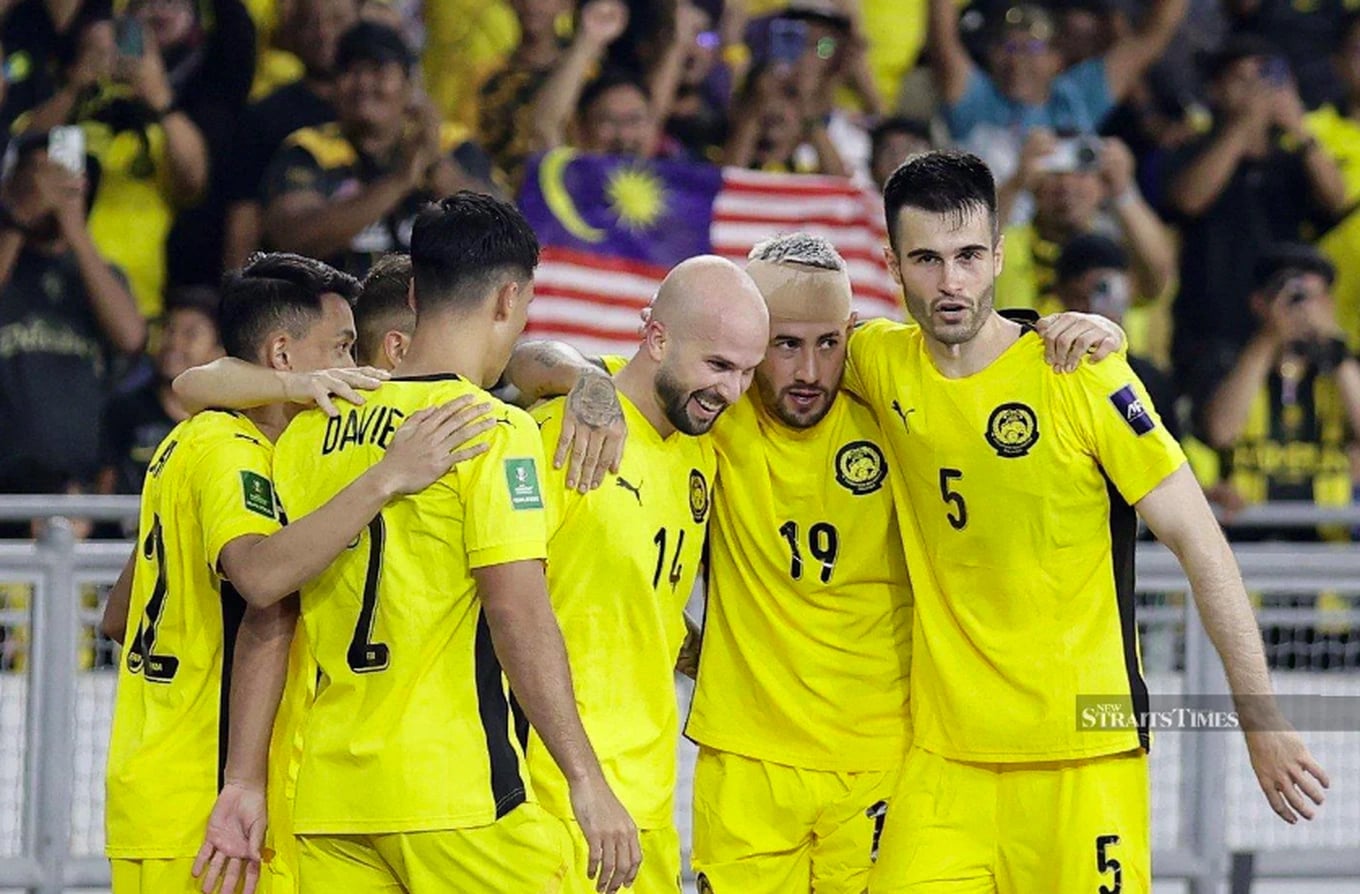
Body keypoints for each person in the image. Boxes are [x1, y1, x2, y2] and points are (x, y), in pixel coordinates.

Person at [837, 150, 1327, 893]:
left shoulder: (1080, 372)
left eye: (968, 255)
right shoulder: (879, 360)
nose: (951, 282)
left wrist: (1261, 720)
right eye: (927, 259)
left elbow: (1202, 543)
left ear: (999, 255)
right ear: (892, 264)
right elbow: (773, 316)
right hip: (944, 763)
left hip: (1083, 757)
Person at [198, 193, 642, 894]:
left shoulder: (311, 428)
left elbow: (270, 615)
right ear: (509, 299)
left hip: (333, 801)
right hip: (456, 795)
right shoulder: (489, 429)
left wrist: (244, 779)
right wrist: (586, 780)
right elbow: (518, 612)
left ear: (413, 292)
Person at [101, 252, 483, 894]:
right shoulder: (235, 454)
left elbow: (120, 615)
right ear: (283, 355)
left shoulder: (191, 439)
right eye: (341, 346)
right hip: (210, 809)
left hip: (155, 786)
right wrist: (387, 477)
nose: (353, 364)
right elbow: (260, 578)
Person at [524, 255, 767, 893]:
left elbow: (632, 590)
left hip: (649, 806)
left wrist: (698, 647)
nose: (732, 391)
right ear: (657, 338)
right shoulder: (569, 430)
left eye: (747, 372)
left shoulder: (700, 454)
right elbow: (507, 608)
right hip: (553, 801)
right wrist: (583, 781)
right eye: (718, 365)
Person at [685, 235, 913, 893]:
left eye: (828, 343)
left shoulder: (895, 408)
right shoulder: (717, 415)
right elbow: (541, 365)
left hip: (880, 755)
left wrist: (1083, 329)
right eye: (786, 345)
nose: (810, 371)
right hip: (746, 759)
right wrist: (585, 381)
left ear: (852, 333)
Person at [1164, 35, 1347, 395]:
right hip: (1210, 333)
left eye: (1267, 78)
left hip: (1285, 328)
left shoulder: (1293, 161)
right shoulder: (1190, 149)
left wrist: (1299, 127)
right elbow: (1188, 201)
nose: (1258, 89)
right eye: (1242, 79)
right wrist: (1242, 124)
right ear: (1216, 89)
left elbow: (1335, 200)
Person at [260, 21, 498, 279]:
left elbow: (500, 231)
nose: (363, 84)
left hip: (434, 301)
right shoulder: (310, 149)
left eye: (378, 70)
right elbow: (293, 238)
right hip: (340, 301)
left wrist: (434, 161)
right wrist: (400, 181)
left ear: (409, 86)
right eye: (350, 71)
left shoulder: (451, 144)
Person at [0, 130, 145, 499]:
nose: (49, 188)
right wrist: (18, 219)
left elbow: (131, 338)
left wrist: (75, 228)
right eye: (38, 174)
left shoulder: (98, 274)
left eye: (62, 176)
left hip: (78, 486)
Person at [925, 0, 1186, 180]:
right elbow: (942, 36)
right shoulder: (974, 95)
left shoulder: (1076, 96)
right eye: (1008, 48)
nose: (1017, 61)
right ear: (991, 56)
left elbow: (1151, 38)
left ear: (1057, 59)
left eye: (1032, 48)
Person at [98, 286, 224, 499]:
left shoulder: (230, 418)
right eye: (169, 330)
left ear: (219, 352)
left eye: (190, 334)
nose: (174, 343)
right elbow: (105, 488)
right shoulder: (124, 410)